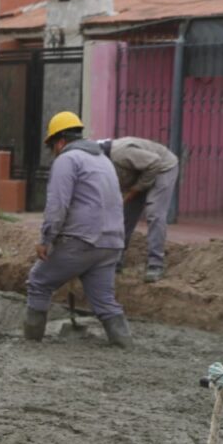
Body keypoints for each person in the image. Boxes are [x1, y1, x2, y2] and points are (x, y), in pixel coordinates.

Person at [25, 111, 132, 347]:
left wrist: (46, 239)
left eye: (52, 147)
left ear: (59, 142)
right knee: (104, 300)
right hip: (111, 242)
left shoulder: (67, 159)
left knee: (38, 282)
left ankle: (31, 343)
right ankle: (124, 345)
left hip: (81, 240)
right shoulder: (103, 160)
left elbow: (57, 205)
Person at [99, 136, 179, 283]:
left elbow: (154, 163)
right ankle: (116, 259)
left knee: (154, 213)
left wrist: (136, 189)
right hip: (140, 171)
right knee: (125, 214)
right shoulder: (100, 163)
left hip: (162, 167)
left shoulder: (121, 153)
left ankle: (156, 263)